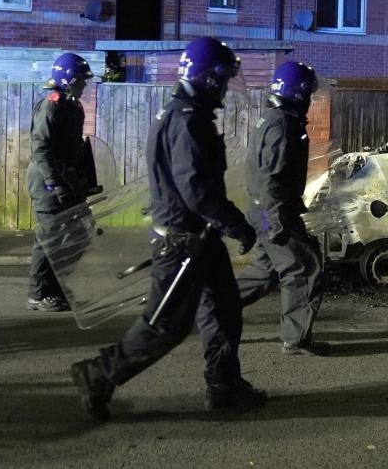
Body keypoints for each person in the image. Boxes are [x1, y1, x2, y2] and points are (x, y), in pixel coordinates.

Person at [70, 37, 264, 421]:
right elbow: (196, 190)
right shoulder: (189, 120)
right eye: (223, 78)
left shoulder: (182, 113)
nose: (226, 86)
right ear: (208, 78)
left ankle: (223, 385)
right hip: (183, 243)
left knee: (224, 311)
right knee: (166, 326)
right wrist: (238, 225)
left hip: (199, 238)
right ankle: (98, 374)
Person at [235, 61, 328, 356]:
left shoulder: (275, 118)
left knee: (265, 272)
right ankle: (296, 340)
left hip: (266, 212)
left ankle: (208, 306)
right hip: (274, 214)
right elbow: (271, 178)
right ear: (298, 93)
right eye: (308, 94)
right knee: (305, 268)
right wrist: (275, 221)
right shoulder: (283, 124)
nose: (311, 100)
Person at [26, 53, 93, 312]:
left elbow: (73, 148)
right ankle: (39, 294)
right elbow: (41, 147)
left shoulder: (72, 106)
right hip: (47, 182)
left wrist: (83, 179)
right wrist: (56, 184)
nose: (84, 86)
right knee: (49, 237)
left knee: (83, 233)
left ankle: (56, 287)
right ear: (69, 80)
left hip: (68, 180)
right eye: (81, 81)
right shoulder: (51, 105)